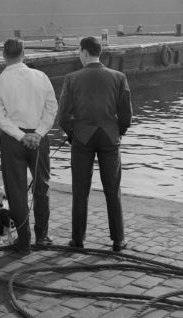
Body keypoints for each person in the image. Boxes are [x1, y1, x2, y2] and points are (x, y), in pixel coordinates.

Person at [57, 36, 132, 252]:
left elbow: (63, 116)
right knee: (112, 189)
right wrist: (119, 132)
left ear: (84, 52)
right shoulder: (119, 77)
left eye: (79, 52)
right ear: (99, 53)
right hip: (110, 138)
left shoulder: (72, 78)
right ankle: (118, 240)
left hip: (82, 138)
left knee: (80, 190)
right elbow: (126, 114)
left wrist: (73, 134)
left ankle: (78, 239)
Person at [0, 38, 58, 254]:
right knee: (41, 187)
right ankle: (43, 235)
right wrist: (38, 133)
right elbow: (51, 107)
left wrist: (20, 136)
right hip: (39, 139)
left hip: (12, 140)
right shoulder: (41, 77)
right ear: (24, 53)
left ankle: (23, 240)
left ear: (3, 55)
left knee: (16, 191)